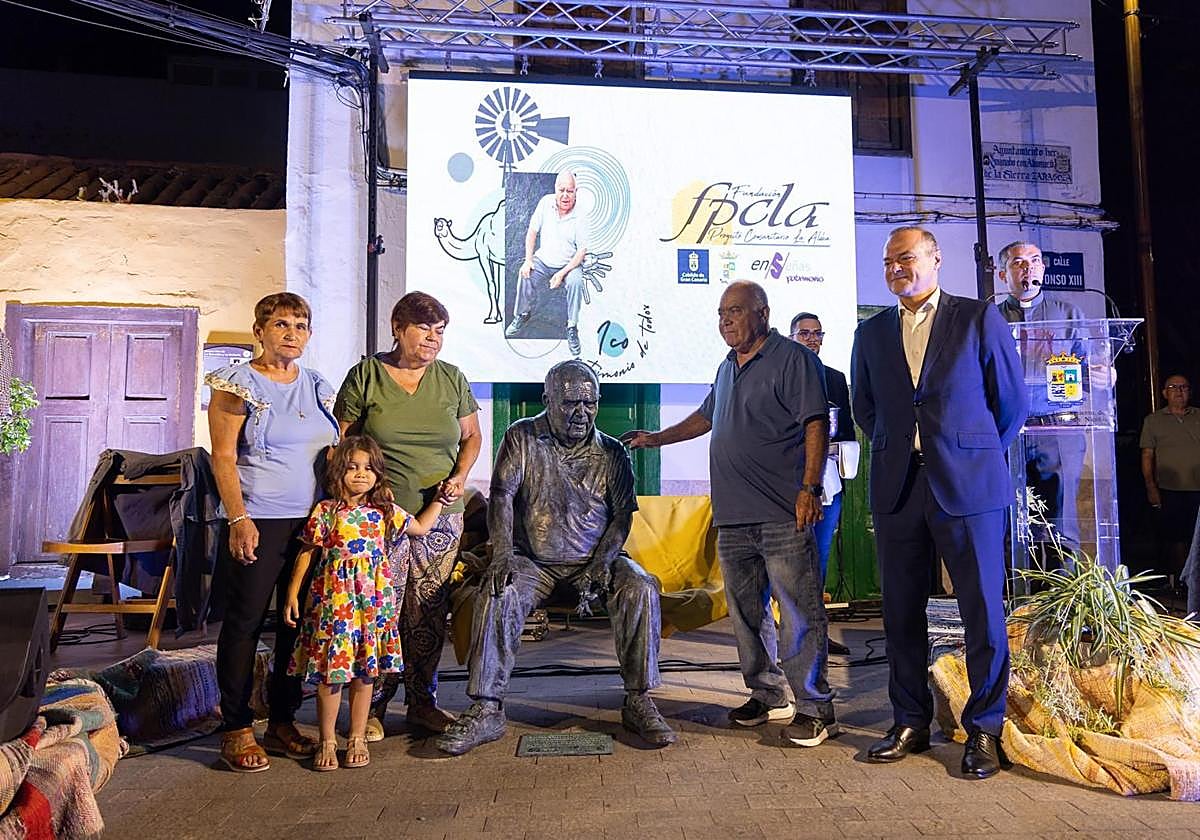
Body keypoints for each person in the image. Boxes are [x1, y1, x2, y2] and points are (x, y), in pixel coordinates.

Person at [625, 281, 838, 748]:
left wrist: (809, 488)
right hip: (733, 514)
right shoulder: (726, 367)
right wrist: (655, 439)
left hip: (783, 511)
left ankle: (816, 708)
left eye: (735, 311)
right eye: (721, 313)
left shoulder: (793, 359)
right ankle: (768, 695)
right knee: (746, 613)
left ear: (763, 313)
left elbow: (815, 423)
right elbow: (706, 418)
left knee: (798, 611)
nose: (726, 320)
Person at [851, 227, 1026, 778]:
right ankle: (910, 721)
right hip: (899, 487)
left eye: (905, 258)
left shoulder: (977, 318)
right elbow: (865, 408)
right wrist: (907, 447)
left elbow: (1011, 405)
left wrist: (967, 452)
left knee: (982, 611)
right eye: (888, 262)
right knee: (901, 612)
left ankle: (985, 729)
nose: (895, 269)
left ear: (935, 259)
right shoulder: (871, 332)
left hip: (969, 487)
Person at [436, 360, 676, 755]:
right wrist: (501, 554)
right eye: (570, 404)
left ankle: (639, 699)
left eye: (589, 403)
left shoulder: (612, 452)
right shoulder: (522, 436)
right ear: (547, 400)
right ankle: (486, 707)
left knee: (641, 587)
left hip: (596, 560)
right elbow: (502, 498)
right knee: (498, 592)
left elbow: (621, 517)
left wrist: (601, 562)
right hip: (534, 562)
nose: (581, 413)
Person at [334, 292, 482, 738]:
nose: (433, 338)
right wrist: (362, 491)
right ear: (398, 328)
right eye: (424, 329)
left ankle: (422, 703)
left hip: (441, 514)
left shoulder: (451, 378)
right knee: (382, 608)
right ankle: (372, 708)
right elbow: (343, 443)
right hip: (379, 515)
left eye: (440, 331)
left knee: (428, 611)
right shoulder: (366, 375)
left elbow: (472, 437)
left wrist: (460, 476)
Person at [206, 292, 340, 773]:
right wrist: (238, 519)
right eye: (281, 324)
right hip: (258, 519)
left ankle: (282, 721)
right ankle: (236, 727)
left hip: (311, 525)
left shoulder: (317, 385)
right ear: (259, 331)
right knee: (245, 622)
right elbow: (223, 457)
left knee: (295, 623)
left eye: (300, 326)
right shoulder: (237, 383)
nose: (291, 334)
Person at [284, 436, 446, 771]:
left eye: (369, 468)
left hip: (372, 606)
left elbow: (420, 527)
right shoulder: (326, 511)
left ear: (378, 474)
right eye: (353, 467)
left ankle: (357, 737)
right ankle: (328, 740)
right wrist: (292, 593)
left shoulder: (384, 512)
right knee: (331, 674)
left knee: (366, 672)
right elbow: (308, 551)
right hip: (334, 605)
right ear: (338, 471)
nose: (361, 474)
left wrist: (441, 500)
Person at [995, 240, 1088, 550]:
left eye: (1035, 261)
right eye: (1019, 262)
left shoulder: (1068, 314)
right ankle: (1014, 582)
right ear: (1002, 274)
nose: (1029, 267)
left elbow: (1088, 370)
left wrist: (1104, 375)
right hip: (1006, 432)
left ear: (1044, 269)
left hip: (1057, 429)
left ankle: (1061, 582)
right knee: (1010, 522)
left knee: (1061, 523)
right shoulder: (989, 319)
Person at [790, 311, 856, 656]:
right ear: (791, 339)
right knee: (788, 561)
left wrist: (831, 445)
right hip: (788, 484)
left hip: (827, 482)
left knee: (820, 559)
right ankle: (788, 636)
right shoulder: (781, 376)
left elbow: (846, 431)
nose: (812, 339)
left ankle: (817, 634)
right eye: (805, 334)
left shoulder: (835, 378)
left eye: (817, 333)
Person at [505, 170, 590, 357]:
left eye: (570, 191)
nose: (565, 195)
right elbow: (532, 232)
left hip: (569, 264)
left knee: (576, 282)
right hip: (544, 260)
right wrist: (528, 260)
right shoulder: (545, 203)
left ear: (576, 192)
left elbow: (581, 252)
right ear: (555, 189)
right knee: (525, 273)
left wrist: (561, 273)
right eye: (562, 190)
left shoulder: (582, 214)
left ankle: (572, 327)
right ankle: (522, 314)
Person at [1140, 375, 1200, 584]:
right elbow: (1147, 455)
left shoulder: (1198, 416)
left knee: (1196, 538)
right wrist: (1151, 487)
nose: (1179, 391)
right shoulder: (1153, 421)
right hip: (1169, 488)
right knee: (1175, 537)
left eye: (1184, 387)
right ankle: (1180, 582)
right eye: (1173, 387)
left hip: (1198, 489)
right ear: (1165, 393)